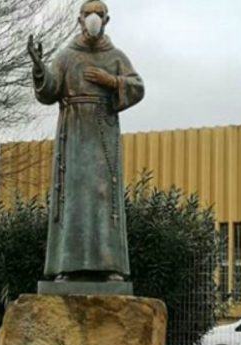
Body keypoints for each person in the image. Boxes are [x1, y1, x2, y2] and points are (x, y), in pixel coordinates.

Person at [28, 0, 145, 284]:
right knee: (73, 197)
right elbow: (49, 90)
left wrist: (111, 81)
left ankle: (110, 266)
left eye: (99, 14)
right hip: (74, 132)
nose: (93, 19)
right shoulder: (67, 56)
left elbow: (138, 87)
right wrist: (39, 67)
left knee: (104, 197)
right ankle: (67, 266)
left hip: (103, 131)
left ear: (107, 20)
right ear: (79, 19)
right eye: (88, 14)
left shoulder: (116, 56)